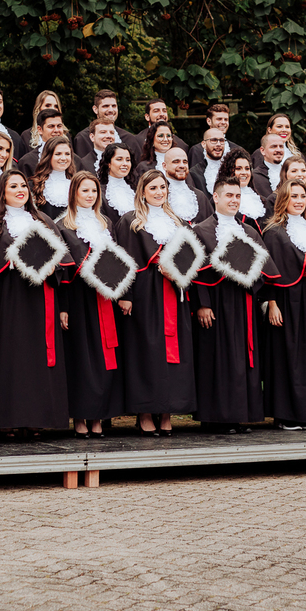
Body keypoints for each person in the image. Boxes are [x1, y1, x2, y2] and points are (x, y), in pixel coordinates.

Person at [0, 170, 74, 437]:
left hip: (39, 299)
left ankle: (36, 418)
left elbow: (61, 259)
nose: (20, 190)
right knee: (8, 357)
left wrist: (54, 268)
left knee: (36, 359)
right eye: (13, 186)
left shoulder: (44, 220)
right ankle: (5, 419)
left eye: (23, 186)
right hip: (7, 298)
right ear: (2, 192)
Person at [112, 170, 198, 435]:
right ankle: (145, 412)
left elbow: (190, 258)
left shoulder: (178, 222)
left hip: (174, 293)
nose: (159, 192)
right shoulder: (131, 221)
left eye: (162, 187)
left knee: (173, 353)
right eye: (153, 188)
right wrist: (125, 296)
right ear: (142, 191)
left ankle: (167, 411)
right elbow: (124, 259)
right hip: (144, 295)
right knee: (146, 353)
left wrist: (179, 273)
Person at [190, 176, 278, 434]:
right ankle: (214, 418)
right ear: (215, 197)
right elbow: (195, 272)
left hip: (243, 302)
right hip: (216, 303)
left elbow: (265, 270)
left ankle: (239, 415)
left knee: (241, 358)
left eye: (237, 196)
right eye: (228, 195)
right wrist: (202, 304)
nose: (234, 200)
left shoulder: (249, 231)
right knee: (216, 358)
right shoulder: (201, 230)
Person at [57, 171, 129, 438]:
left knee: (103, 360)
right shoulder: (63, 225)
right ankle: (80, 417)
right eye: (84, 190)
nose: (90, 195)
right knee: (81, 360)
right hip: (78, 299)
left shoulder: (106, 222)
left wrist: (121, 293)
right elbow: (63, 271)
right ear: (74, 192)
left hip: (105, 299)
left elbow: (117, 259)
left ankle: (98, 416)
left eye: (94, 191)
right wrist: (63, 307)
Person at [262, 180, 306, 429]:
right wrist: (271, 303)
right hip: (286, 300)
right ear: (284, 199)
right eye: (294, 196)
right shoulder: (274, 232)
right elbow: (270, 271)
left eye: (303, 196)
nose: (299, 201)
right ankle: (287, 415)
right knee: (288, 357)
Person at [72, 89, 142, 158]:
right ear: (95, 109)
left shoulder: (129, 139)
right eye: (105, 106)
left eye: (114, 106)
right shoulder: (82, 138)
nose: (111, 110)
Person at [265, 154, 306, 227]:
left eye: (303, 171)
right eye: (294, 171)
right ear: (285, 174)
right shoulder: (274, 198)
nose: (300, 174)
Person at [218, 148, 266, 232]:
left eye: (247, 168)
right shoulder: (220, 199)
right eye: (238, 168)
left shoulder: (260, 200)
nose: (244, 172)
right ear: (229, 171)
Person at [18, 109, 77, 176]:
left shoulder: (76, 160)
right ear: (40, 130)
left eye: (59, 126)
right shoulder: (27, 162)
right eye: (51, 126)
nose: (56, 130)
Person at [29, 135, 76, 220]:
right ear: (48, 156)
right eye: (58, 154)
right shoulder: (33, 185)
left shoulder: (77, 184)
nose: (63, 158)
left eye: (67, 154)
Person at [164, 147, 213, 225]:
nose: (182, 165)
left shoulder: (200, 196)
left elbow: (211, 225)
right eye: (176, 162)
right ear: (164, 166)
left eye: (185, 162)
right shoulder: (159, 196)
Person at [98, 143, 136, 226]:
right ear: (108, 163)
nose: (125, 163)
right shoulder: (99, 191)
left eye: (128, 160)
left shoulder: (135, 189)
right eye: (119, 159)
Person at [189, 127, 229, 192]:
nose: (218, 144)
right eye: (214, 140)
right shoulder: (195, 173)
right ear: (203, 144)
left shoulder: (231, 169)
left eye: (221, 140)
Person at [250, 133, 286, 199]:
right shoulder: (255, 176)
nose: (278, 150)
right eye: (273, 147)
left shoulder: (289, 172)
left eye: (281, 146)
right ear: (262, 150)